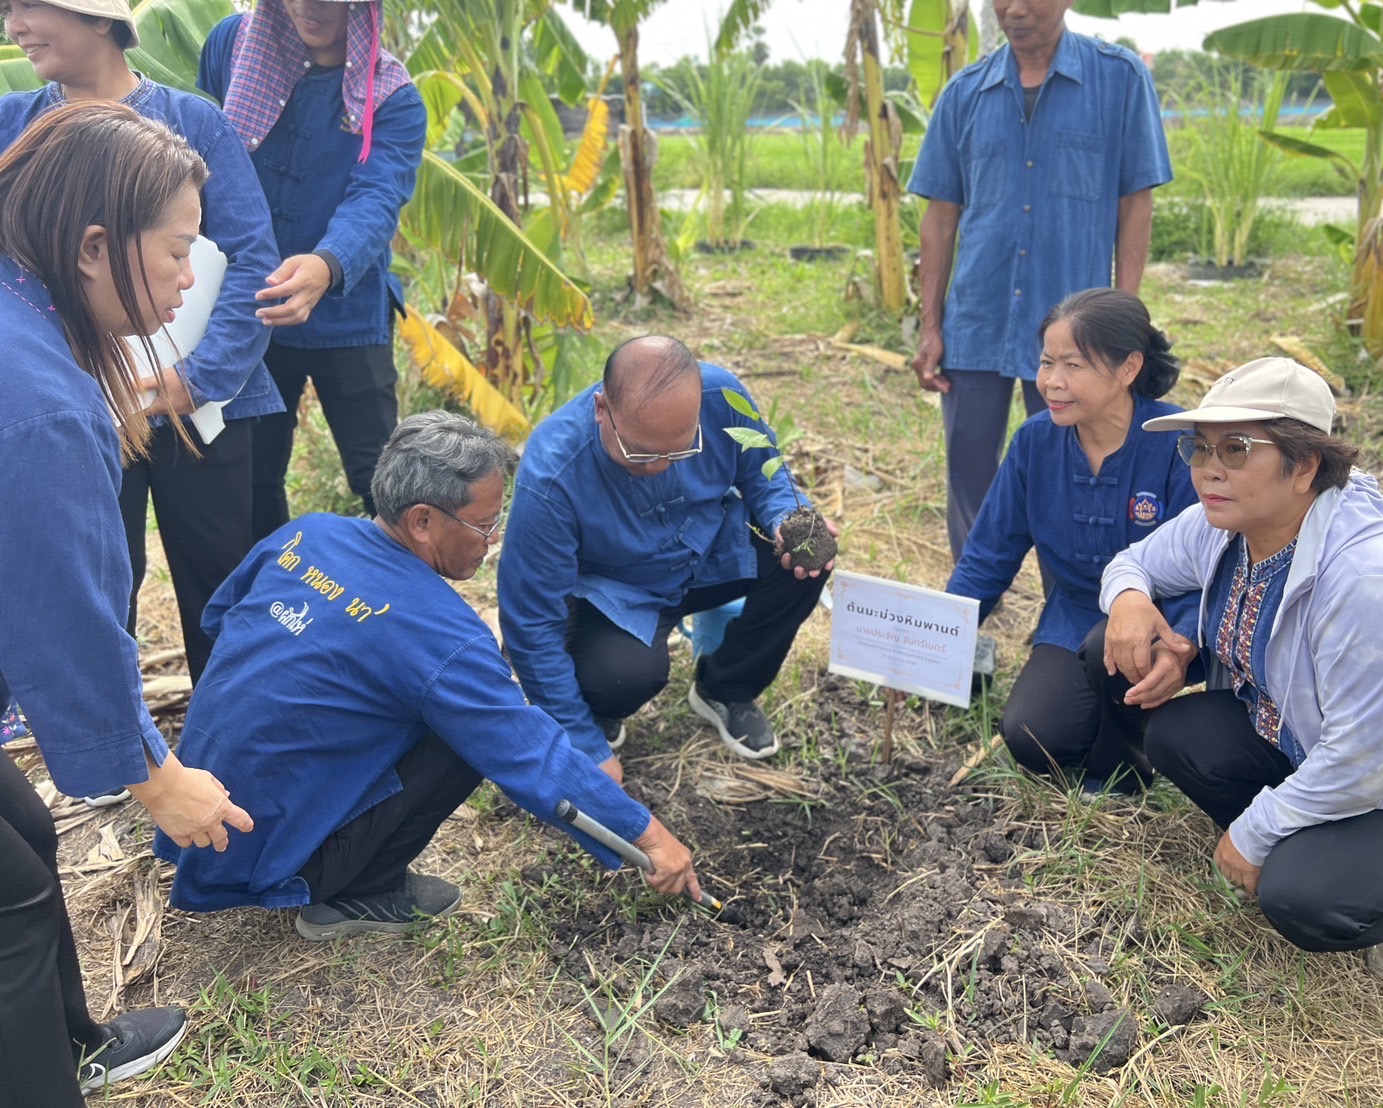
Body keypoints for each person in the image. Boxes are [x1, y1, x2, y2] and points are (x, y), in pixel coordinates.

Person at [156, 412, 701, 935]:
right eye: (485, 526)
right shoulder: (442, 634)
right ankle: (358, 890)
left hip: (189, 809)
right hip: (257, 851)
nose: (492, 543)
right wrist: (647, 836)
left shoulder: (306, 535)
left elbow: (218, 617)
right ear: (422, 520)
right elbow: (527, 751)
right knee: (463, 730)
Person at [0, 102, 254, 1108]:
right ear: (95, 246)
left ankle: (73, 1042)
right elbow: (60, 624)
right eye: (179, 250)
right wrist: (159, 778)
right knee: (12, 903)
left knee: (23, 832)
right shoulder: (40, 406)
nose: (193, 276)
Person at [1099, 357, 1383, 987]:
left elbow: (1366, 763)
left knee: (1301, 899)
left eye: (1237, 449)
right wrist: (1131, 600)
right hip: (1303, 742)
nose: (1208, 469)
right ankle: (1313, 845)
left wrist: (1254, 831)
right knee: (1173, 735)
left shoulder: (1371, 584)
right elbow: (1135, 560)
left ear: (1305, 465)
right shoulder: (1227, 524)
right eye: (1200, 447)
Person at [0, 0, 280, 690]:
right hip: (79, 402)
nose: (15, 26)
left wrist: (199, 376)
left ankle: (226, 732)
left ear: (99, 19)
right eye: (7, 10)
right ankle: (114, 743)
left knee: (218, 574)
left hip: (196, 405)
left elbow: (252, 260)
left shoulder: (191, 123)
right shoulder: (16, 125)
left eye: (30, 7)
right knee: (95, 572)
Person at [498, 336, 836, 782]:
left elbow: (764, 472)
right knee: (621, 678)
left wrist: (786, 517)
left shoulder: (721, 397)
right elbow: (531, 620)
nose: (659, 465)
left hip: (709, 553)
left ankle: (726, 687)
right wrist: (581, 741)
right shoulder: (552, 474)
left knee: (806, 563)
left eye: (680, 450)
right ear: (602, 408)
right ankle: (594, 708)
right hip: (619, 590)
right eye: (640, 453)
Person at [907, 0, 1172, 562]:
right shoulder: (964, 93)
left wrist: (1124, 321)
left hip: (1074, 336)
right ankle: (970, 621)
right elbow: (940, 216)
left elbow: (1135, 206)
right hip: (977, 324)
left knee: (1073, 475)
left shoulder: (1119, 79)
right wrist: (931, 326)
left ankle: (1068, 614)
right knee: (969, 475)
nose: (1014, 8)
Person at [947, 289, 1198, 793]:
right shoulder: (1036, 441)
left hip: (1166, 619)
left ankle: (1128, 765)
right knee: (1031, 735)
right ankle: (1118, 723)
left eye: (1073, 365)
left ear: (1129, 368)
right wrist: (936, 635)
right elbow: (990, 553)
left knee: (1115, 645)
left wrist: (1185, 645)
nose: (1051, 382)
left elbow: (1209, 563)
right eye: (1045, 363)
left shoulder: (1178, 442)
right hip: (1076, 612)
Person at [197, 0, 427, 536]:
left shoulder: (393, 96)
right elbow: (203, 141)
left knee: (381, 478)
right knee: (253, 474)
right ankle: (268, 594)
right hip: (248, 308)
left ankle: (399, 605)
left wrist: (327, 264)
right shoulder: (230, 46)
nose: (307, 7)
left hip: (348, 314)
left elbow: (377, 196)